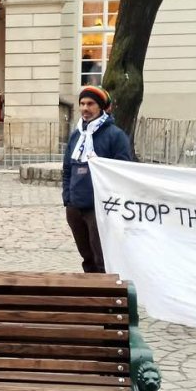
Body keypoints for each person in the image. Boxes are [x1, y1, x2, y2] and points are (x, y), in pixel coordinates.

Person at [62, 86, 132, 273]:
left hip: (99, 208)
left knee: (102, 258)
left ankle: (106, 298)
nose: (85, 108)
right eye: (82, 103)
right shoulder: (77, 135)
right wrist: (67, 199)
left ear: (101, 107)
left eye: (90, 104)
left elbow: (123, 171)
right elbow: (68, 168)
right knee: (87, 258)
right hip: (75, 206)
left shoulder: (115, 136)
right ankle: (91, 295)